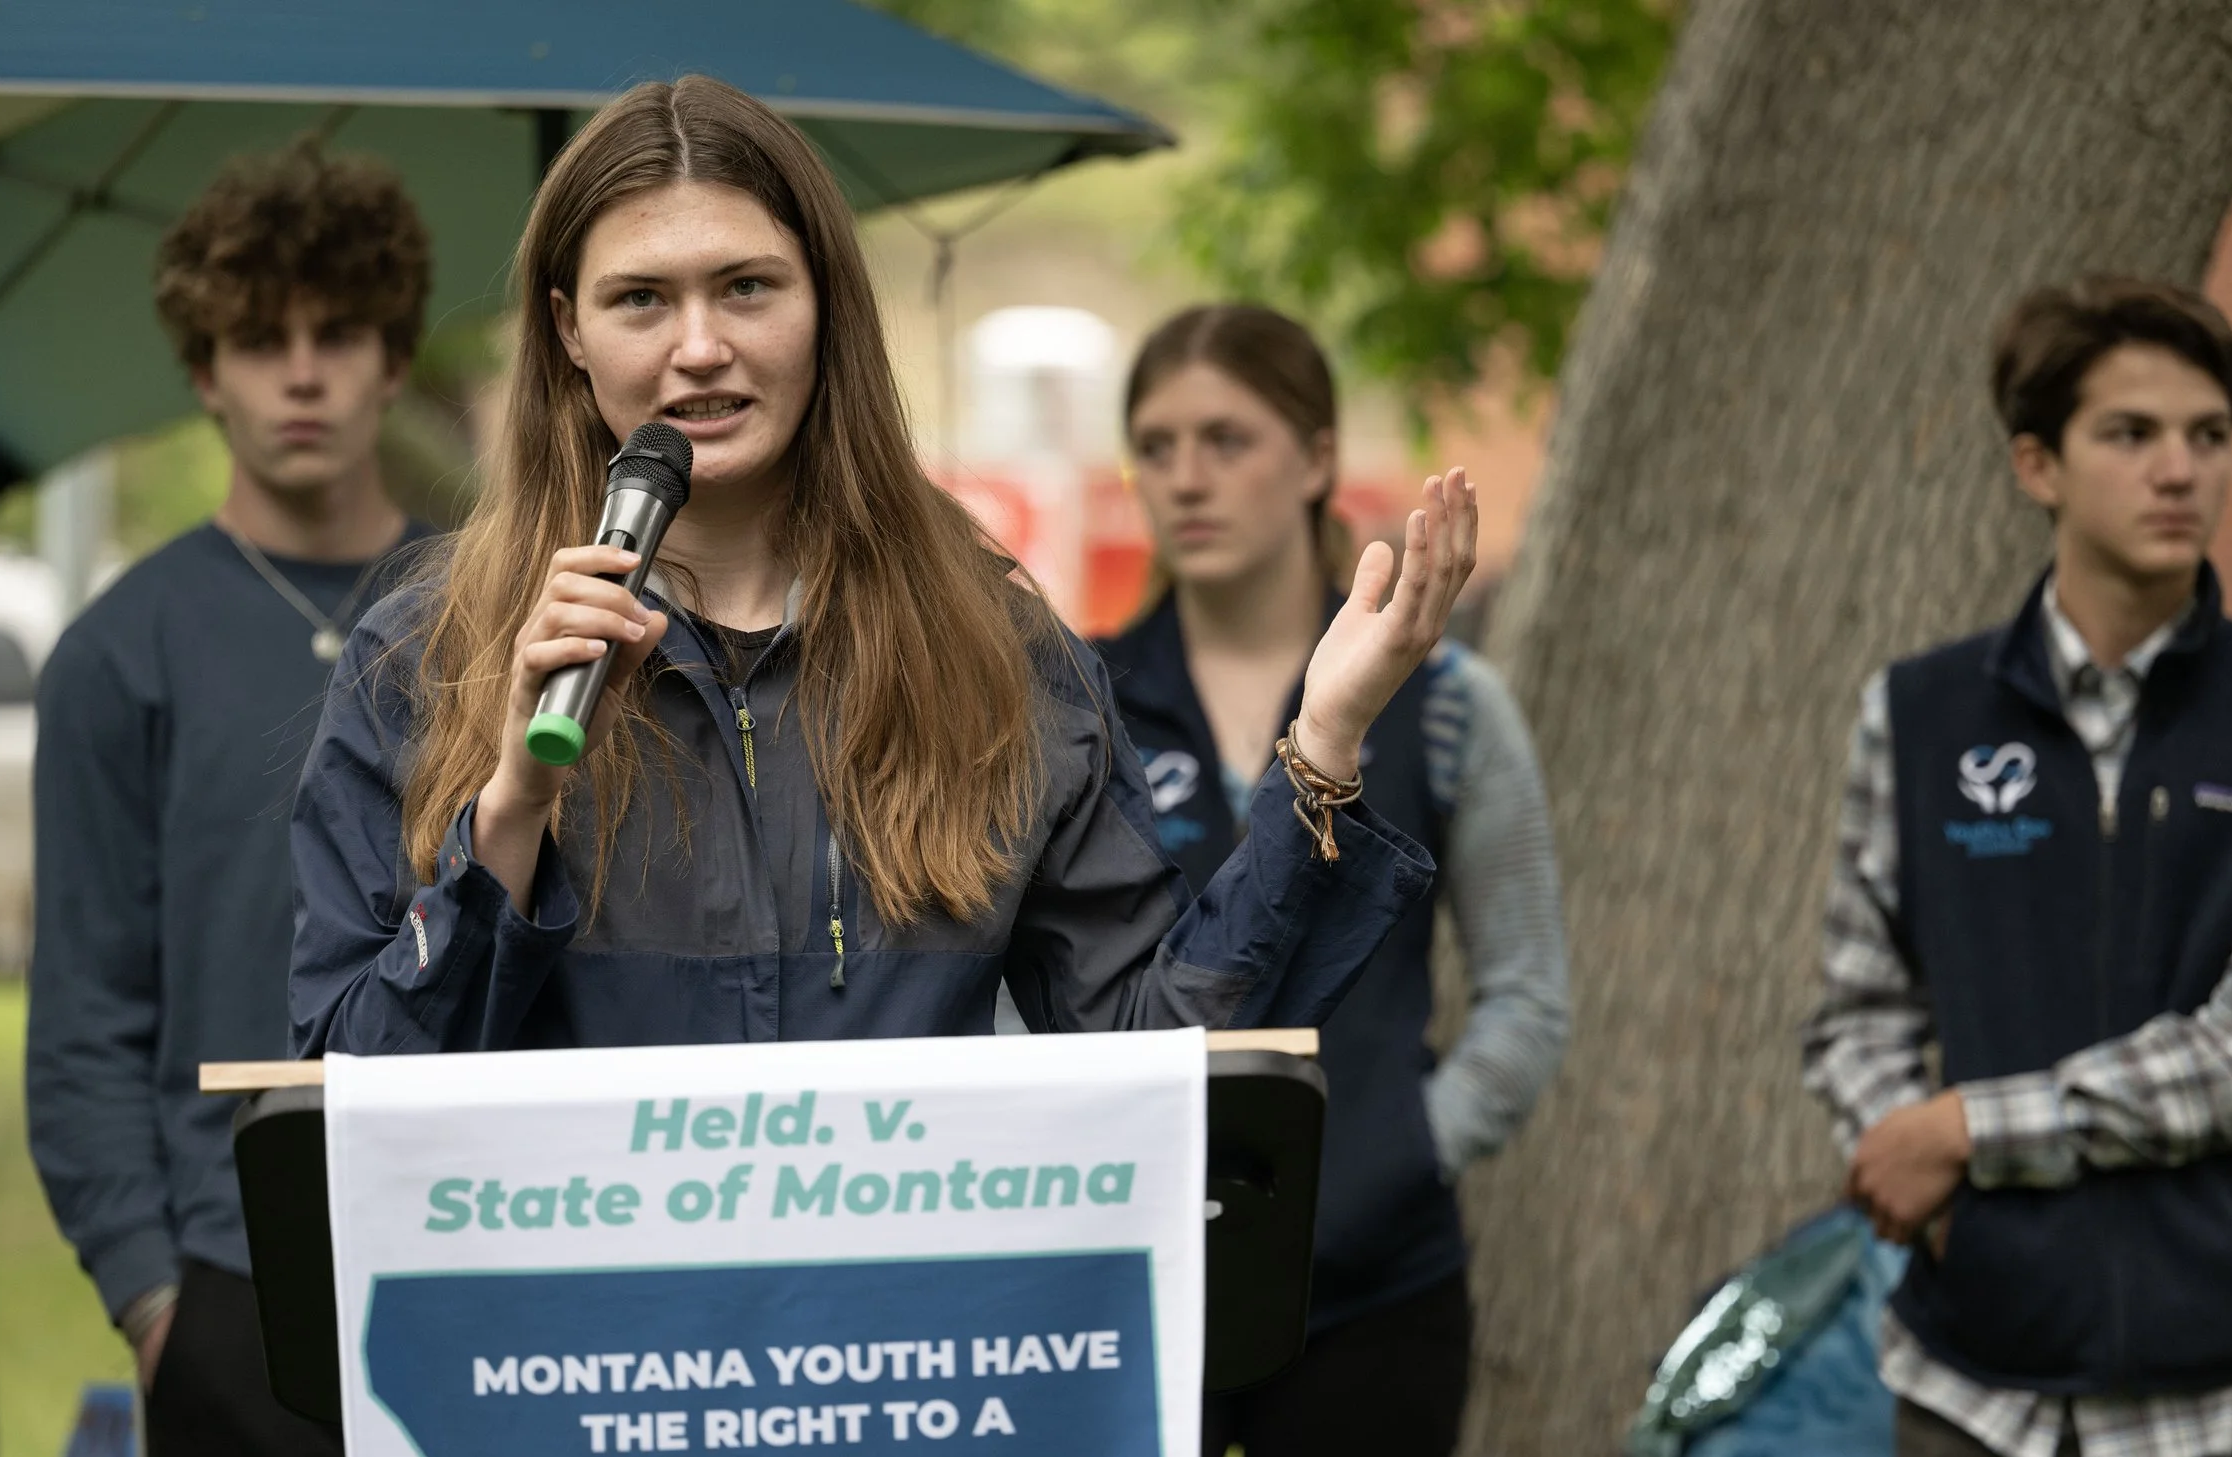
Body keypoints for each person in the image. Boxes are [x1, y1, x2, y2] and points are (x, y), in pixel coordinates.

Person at [287, 76, 1472, 1072]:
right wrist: (510, 816)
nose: (700, 346)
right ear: (568, 331)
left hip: (900, 1286)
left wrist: (1323, 747)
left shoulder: (995, 655)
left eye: (746, 286)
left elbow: (1153, 1061)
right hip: (580, 1290)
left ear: (824, 305)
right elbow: (342, 1100)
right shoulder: (424, 659)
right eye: (641, 299)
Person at [1802, 276, 2232, 1457]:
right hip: (1984, 1383)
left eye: (2207, 433)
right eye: (2130, 433)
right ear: (2038, 464)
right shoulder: (1918, 716)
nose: (2179, 468)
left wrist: (1969, 1129)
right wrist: (1938, 1197)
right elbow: (1856, 1011)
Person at [1098, 304, 1566, 1457]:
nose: (1185, 476)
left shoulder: (1452, 702)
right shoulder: (1077, 701)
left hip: (1368, 1288)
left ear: (1313, 456)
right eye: (1155, 446)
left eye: (1224, 439)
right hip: (1133, 1281)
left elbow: (1528, 996)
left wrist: (1396, 1153)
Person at [27, 141, 436, 1457]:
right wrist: (153, 1300)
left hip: (475, 1244)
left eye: (339, 332)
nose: (302, 373)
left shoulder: (499, 611)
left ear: (396, 354)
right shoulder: (117, 653)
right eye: (261, 339)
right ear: (205, 371)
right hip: (227, 1279)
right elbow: (82, 1012)